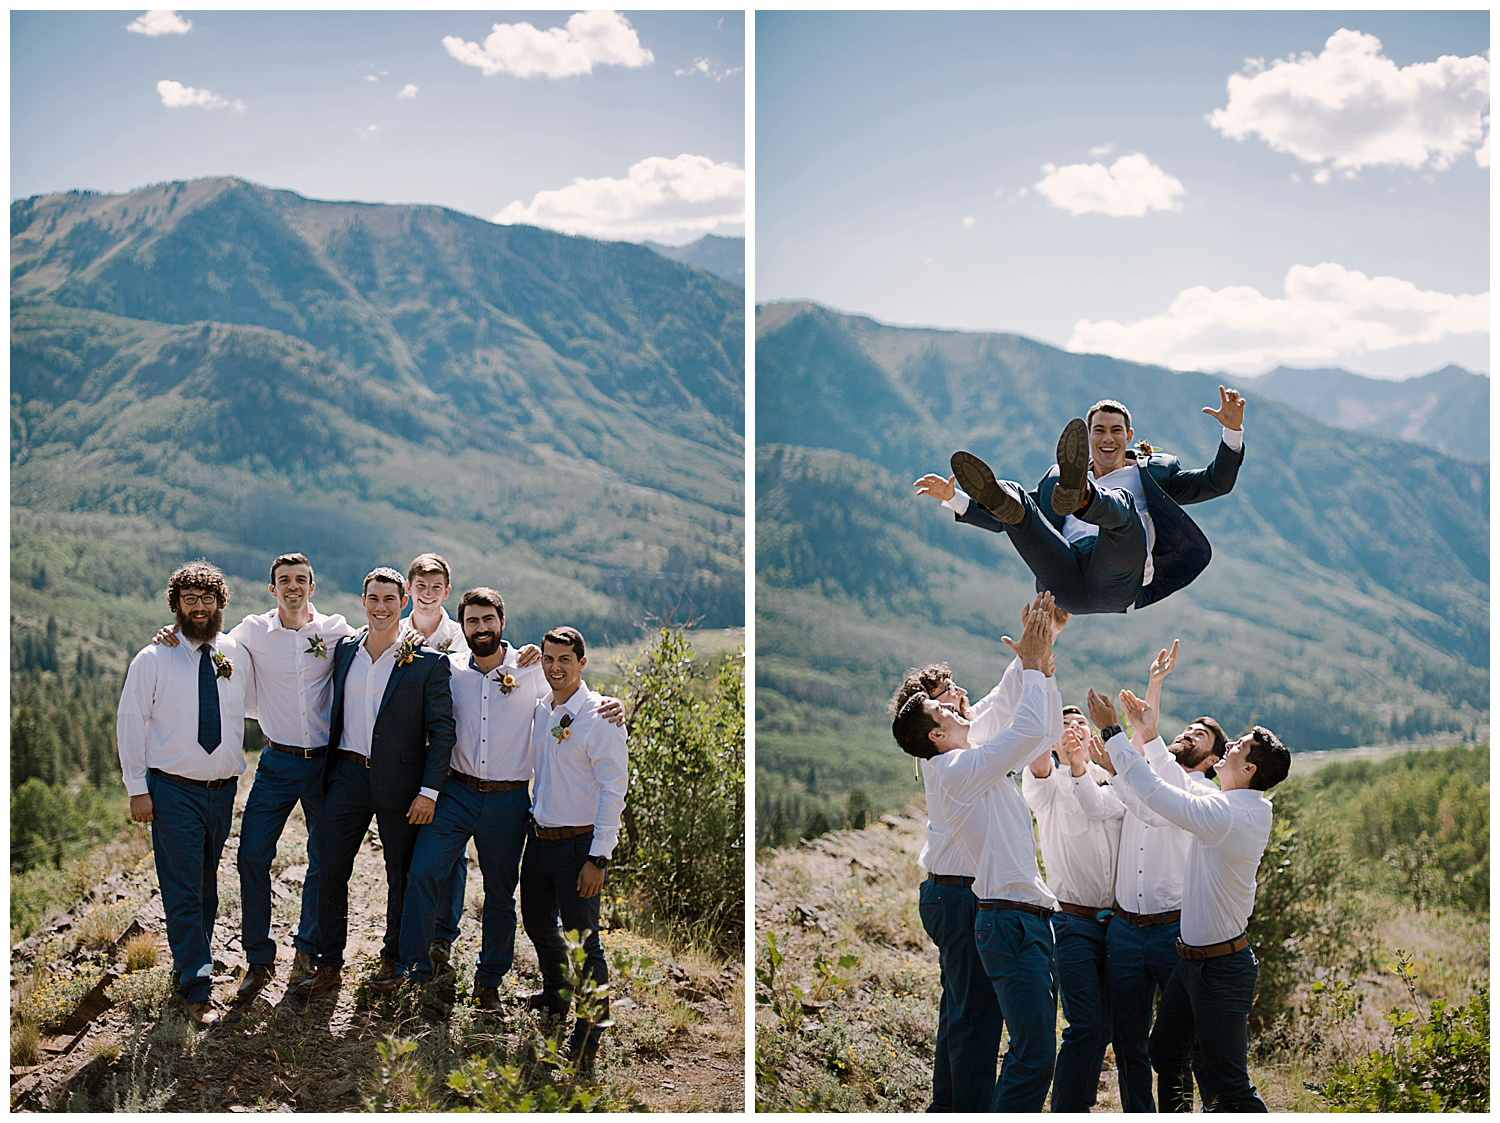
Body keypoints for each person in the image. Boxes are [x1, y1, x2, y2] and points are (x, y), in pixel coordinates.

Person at [376, 590, 623, 1010]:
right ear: (463, 628)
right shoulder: (448, 669)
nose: (481, 628)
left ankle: (488, 981)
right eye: (472, 621)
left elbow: (571, 687)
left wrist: (610, 705)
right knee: (422, 874)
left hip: (508, 802)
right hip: (454, 793)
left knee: (500, 894)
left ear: (501, 622)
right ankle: (413, 969)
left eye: (488, 619)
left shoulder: (529, 669)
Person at [891, 599, 1069, 1112]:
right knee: (976, 1019)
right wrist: (1034, 661)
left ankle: (948, 1108)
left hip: (973, 895)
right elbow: (1021, 724)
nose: (962, 697)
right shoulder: (955, 765)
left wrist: (1042, 641)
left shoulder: (961, 748)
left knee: (965, 1013)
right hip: (961, 895)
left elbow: (1008, 703)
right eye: (946, 698)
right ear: (935, 730)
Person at [1087, 686, 1290, 1112]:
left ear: (1249, 767)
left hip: (1220, 967)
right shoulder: (1235, 804)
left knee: (1229, 1083)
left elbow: (1159, 795)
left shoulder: (1228, 815)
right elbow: (1180, 783)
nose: (1229, 745)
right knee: (1165, 1052)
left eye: (1239, 746)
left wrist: (1113, 733)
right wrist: (1150, 735)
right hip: (1193, 962)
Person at [914, 390, 1245, 614]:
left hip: (1117, 578)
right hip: (1065, 579)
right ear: (1088, 436)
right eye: (1099, 430)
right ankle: (1058, 494)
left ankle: (1085, 498)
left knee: (1124, 509)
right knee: (1018, 504)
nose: (1107, 438)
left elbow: (1216, 482)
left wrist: (1232, 433)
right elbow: (1003, 522)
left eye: (1116, 430)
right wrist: (955, 499)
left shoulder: (1153, 476)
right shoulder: (1054, 480)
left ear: (1129, 436)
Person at [294, 567, 455, 996]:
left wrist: (428, 791)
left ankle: (396, 963)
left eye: (389, 599)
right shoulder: (345, 650)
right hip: (346, 774)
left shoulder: (428, 662)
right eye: (373, 599)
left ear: (403, 602)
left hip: (402, 783)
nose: (381, 607)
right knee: (329, 869)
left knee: (399, 874)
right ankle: (328, 965)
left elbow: (443, 733)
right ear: (362, 601)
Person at [1082, 641, 1224, 1112]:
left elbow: (1158, 798)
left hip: (1171, 932)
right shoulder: (1150, 776)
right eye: (1188, 728)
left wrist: (1121, 749)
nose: (1189, 734)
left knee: (1182, 1042)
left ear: (1212, 760)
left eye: (1200, 735)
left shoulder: (1199, 794)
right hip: (1124, 930)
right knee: (1128, 1042)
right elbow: (1148, 751)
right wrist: (1155, 684)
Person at [116, 560, 252, 1027]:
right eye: (188, 599)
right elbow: (130, 724)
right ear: (175, 605)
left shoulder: (234, 652)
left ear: (220, 603)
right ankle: (197, 988)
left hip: (222, 792)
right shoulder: (153, 658)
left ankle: (190, 964)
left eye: (206, 598)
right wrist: (138, 788)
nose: (198, 607)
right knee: (182, 889)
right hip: (172, 791)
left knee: (206, 884)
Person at [519, 626, 628, 1067]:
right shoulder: (542, 706)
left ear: (582, 663)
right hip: (540, 838)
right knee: (536, 923)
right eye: (549, 659)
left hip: (579, 845)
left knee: (584, 941)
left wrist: (598, 857)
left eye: (565, 660)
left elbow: (613, 790)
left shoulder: (600, 716)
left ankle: (589, 1035)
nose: (555, 667)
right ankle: (556, 995)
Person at [1021, 706, 1121, 1112]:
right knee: (1084, 1023)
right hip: (1070, 921)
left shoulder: (1112, 782)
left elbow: (1106, 806)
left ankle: (1080, 1103)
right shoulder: (1046, 786)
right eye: (1063, 725)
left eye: (1080, 723)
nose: (1074, 729)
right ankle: (1067, 1109)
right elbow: (1039, 761)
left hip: (1117, 923)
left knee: (1109, 1026)